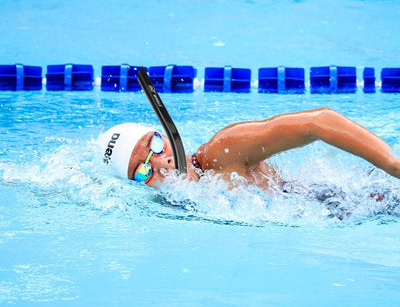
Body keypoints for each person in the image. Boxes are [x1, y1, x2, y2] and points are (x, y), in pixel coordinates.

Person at [98, 107, 400, 192]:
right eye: (142, 171)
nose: (161, 163)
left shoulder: (222, 151)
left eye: (154, 145)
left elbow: (318, 122)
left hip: (355, 202)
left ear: (165, 134)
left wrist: (393, 165)